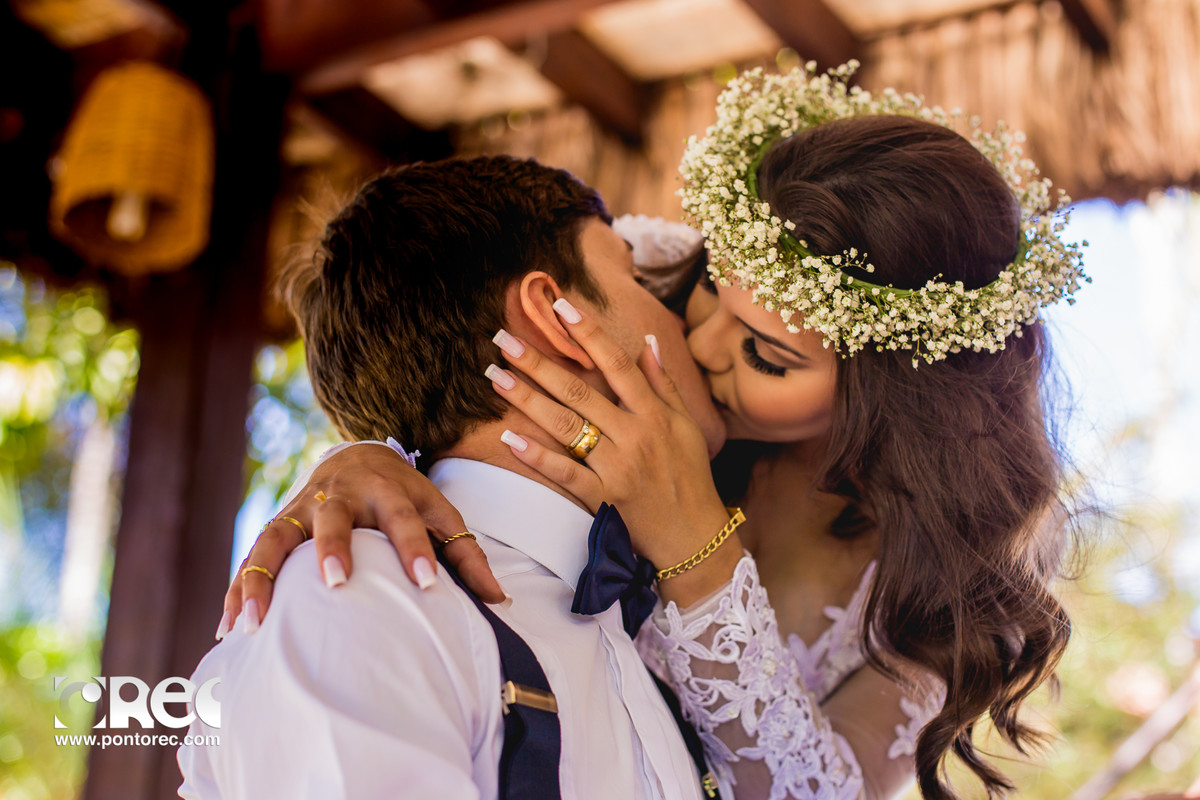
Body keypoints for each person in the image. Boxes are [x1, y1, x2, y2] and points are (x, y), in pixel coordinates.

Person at [223, 64, 1088, 799]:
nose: (701, 341)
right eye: (713, 287)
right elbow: (446, 354)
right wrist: (367, 455)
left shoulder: (947, 593)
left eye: (767, 355)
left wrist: (693, 548)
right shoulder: (647, 292)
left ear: (893, 400)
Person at [177, 154, 744, 799]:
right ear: (554, 314)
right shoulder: (354, 598)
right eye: (637, 276)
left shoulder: (658, 638)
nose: (683, 325)